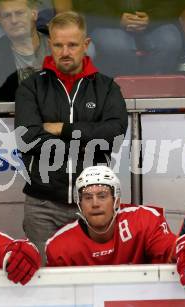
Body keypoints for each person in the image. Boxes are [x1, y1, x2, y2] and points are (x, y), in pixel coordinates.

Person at [14, 11, 128, 260]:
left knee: (93, 283)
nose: (65, 52)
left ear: (85, 45)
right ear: (50, 44)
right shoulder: (30, 87)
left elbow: (114, 134)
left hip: (93, 204)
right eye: (58, 45)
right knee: (43, 283)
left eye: (72, 45)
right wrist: (89, 139)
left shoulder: (107, 87)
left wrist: (62, 129)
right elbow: (28, 138)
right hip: (42, 204)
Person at [46, 166, 185, 296]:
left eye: (103, 196)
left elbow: (166, 247)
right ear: (80, 204)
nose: (95, 203)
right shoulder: (59, 245)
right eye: (88, 197)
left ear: (117, 200)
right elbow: (55, 297)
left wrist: (182, 248)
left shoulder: (143, 220)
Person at [55, 0, 185, 76]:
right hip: (106, 20)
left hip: (155, 20)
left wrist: (151, 18)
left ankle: (152, 95)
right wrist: (116, 19)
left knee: (170, 41)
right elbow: (86, 3)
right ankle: (123, 95)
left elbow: (176, 3)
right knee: (116, 46)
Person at [0, 0, 52, 102]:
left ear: (34, 14)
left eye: (19, 13)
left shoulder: (56, 44)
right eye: (7, 15)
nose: (13, 20)